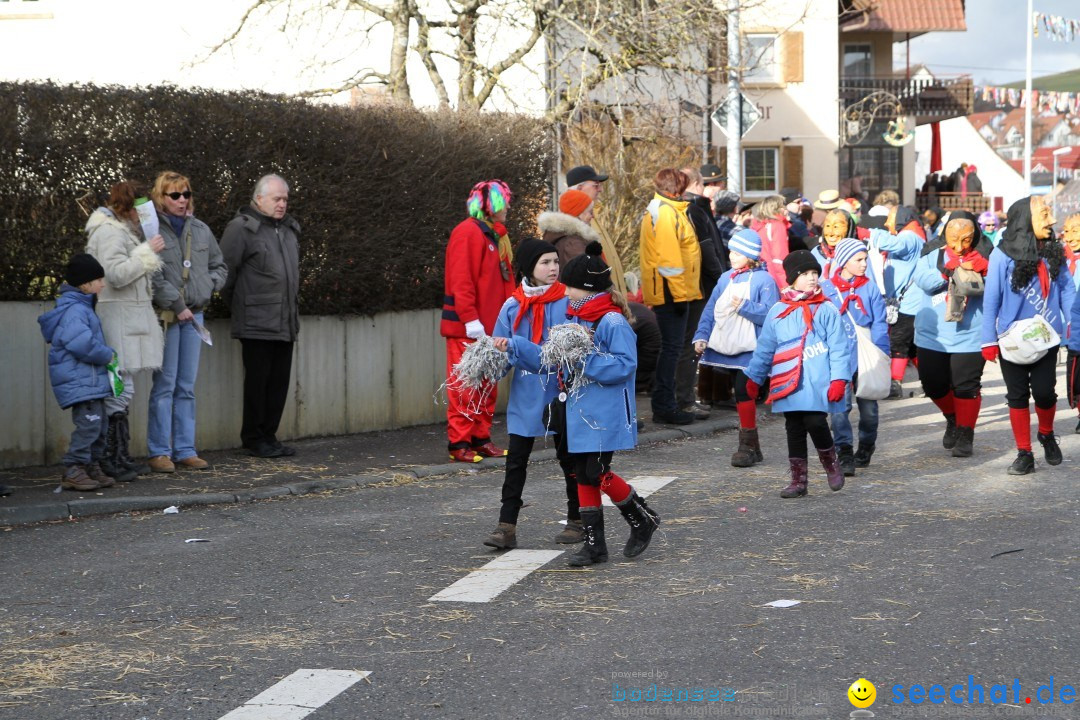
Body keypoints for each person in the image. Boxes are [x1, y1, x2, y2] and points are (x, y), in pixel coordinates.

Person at [502, 241, 659, 567]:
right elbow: (553, 360)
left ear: (586, 289)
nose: (565, 290)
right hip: (581, 412)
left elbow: (624, 365)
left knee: (595, 472)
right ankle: (594, 545)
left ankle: (641, 517)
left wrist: (585, 358)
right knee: (582, 473)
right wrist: (515, 345)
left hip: (604, 412)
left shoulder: (611, 322)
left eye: (570, 286)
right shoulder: (579, 318)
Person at [483, 239, 582, 549]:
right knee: (516, 460)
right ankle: (506, 526)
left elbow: (563, 351)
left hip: (560, 387)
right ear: (528, 268)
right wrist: (486, 369)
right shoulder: (512, 305)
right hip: (527, 390)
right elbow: (503, 350)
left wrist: (517, 347)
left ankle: (577, 519)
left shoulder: (567, 301)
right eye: (545, 263)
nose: (553, 268)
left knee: (569, 457)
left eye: (555, 262)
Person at [744, 250, 852, 498]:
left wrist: (839, 379)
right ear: (792, 278)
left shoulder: (825, 308)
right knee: (793, 427)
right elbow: (765, 348)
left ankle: (830, 462)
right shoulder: (778, 311)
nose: (812, 278)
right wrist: (754, 377)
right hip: (787, 380)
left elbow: (838, 347)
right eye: (805, 274)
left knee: (815, 421)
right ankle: (798, 480)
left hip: (817, 380)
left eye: (815, 273)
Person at [981, 196, 1076, 475]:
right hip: (1011, 339)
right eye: (1044, 214)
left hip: (1046, 337)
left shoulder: (1055, 252)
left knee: (1046, 394)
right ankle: (1024, 453)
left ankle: (1046, 433)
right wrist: (988, 339)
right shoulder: (1001, 255)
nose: (1053, 220)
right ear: (1025, 219)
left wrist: (1072, 327)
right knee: (1017, 396)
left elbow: (1068, 292)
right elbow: (991, 299)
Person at [84, 180, 165, 481]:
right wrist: (147, 252)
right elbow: (115, 275)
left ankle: (117, 457)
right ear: (128, 207)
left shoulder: (119, 230)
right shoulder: (108, 231)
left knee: (121, 389)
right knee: (118, 389)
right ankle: (109, 459)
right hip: (117, 320)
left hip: (125, 321)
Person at [148, 172, 228, 472]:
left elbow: (220, 265)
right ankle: (159, 451)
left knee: (186, 386)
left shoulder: (202, 230)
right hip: (168, 317)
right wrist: (177, 304)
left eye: (186, 194)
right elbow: (153, 274)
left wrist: (209, 285)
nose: (182, 200)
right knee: (164, 384)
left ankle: (185, 449)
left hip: (196, 315)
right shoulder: (153, 231)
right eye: (174, 195)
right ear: (161, 198)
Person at [220, 174, 300, 458]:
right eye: (277, 199)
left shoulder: (288, 230)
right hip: (256, 323)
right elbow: (224, 275)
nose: (282, 204)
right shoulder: (241, 229)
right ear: (259, 198)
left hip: (285, 321)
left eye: (285, 199)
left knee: (278, 383)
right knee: (258, 382)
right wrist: (243, 308)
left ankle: (269, 435)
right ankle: (254, 437)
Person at [441, 180, 517, 462]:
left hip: (490, 329)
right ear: (493, 204)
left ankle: (479, 438)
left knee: (487, 385)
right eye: (505, 201)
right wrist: (471, 321)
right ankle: (459, 443)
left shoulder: (494, 236)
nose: (508, 206)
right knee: (465, 385)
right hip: (469, 328)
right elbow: (461, 281)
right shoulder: (468, 233)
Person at [693, 228, 780, 466]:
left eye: (738, 252)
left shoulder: (765, 280)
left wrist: (745, 306)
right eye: (731, 250)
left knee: (744, 392)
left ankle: (746, 445)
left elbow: (772, 315)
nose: (731, 255)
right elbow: (710, 309)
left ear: (750, 255)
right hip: (723, 349)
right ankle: (754, 445)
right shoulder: (725, 278)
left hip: (752, 350)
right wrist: (701, 335)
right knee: (736, 392)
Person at [909, 212, 991, 459]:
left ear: (973, 236)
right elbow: (921, 280)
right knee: (933, 384)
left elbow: (1001, 288)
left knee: (966, 387)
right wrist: (946, 271)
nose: (959, 245)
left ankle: (966, 434)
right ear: (945, 234)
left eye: (965, 239)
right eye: (954, 238)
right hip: (933, 335)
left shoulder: (988, 257)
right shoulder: (932, 255)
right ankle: (952, 417)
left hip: (971, 334)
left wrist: (985, 270)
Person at [37, 254, 118, 491]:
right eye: (98, 280)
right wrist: (107, 354)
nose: (102, 284)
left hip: (90, 382)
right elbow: (80, 343)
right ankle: (73, 468)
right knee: (90, 425)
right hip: (82, 383)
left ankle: (90, 465)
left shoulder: (82, 308)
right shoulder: (75, 311)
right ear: (85, 284)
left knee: (99, 425)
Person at [820, 238, 889, 473]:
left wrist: (882, 353)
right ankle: (844, 452)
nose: (863, 264)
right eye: (858, 260)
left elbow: (879, 321)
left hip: (867, 354)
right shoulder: (827, 289)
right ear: (843, 261)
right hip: (839, 356)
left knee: (868, 408)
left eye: (865, 259)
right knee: (840, 408)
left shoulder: (869, 287)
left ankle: (867, 445)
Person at [639, 168, 702, 425]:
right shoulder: (665, 212)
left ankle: (666, 403)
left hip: (672, 289)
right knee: (672, 349)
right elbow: (669, 260)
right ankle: (664, 406)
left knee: (672, 349)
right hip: (671, 291)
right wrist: (679, 296)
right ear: (676, 188)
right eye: (684, 185)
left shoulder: (667, 210)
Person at [863, 206, 926, 398]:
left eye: (890, 218)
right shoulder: (909, 235)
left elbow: (896, 245)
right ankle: (931, 381)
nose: (886, 223)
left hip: (909, 303)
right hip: (905, 301)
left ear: (901, 219)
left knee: (898, 342)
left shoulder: (910, 236)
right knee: (913, 346)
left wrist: (866, 233)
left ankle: (895, 384)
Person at [678, 166, 726, 419]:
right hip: (699, 286)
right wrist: (721, 278)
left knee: (691, 342)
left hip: (695, 284)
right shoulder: (694, 209)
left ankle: (689, 396)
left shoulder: (692, 208)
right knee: (693, 342)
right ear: (698, 184)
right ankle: (685, 399)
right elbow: (707, 249)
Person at [566, 165, 628, 295]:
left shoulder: (593, 215)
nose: (600, 189)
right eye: (595, 185)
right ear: (579, 188)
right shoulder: (574, 222)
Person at [539, 189, 600, 270]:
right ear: (578, 212)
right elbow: (584, 276)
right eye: (590, 212)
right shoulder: (573, 242)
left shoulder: (561, 236)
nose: (593, 216)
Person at [751, 194, 791, 289]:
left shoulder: (760, 226)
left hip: (761, 273)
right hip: (775, 277)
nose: (786, 210)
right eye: (783, 206)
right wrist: (785, 285)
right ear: (776, 209)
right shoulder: (777, 226)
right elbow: (780, 258)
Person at [811, 209, 858, 278]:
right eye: (827, 226)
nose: (831, 232)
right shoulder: (816, 253)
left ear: (849, 229)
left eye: (836, 227)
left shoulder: (857, 255)